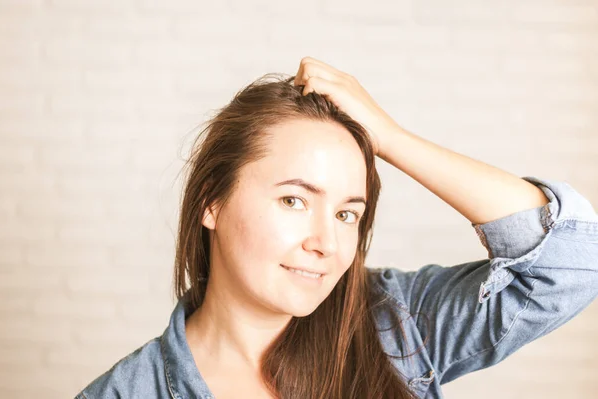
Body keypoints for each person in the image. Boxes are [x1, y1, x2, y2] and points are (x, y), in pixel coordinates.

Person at [75, 57, 598, 399]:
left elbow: (571, 264)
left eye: (348, 213)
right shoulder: (126, 392)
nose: (325, 244)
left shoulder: (392, 324)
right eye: (294, 200)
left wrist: (391, 140)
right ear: (211, 203)